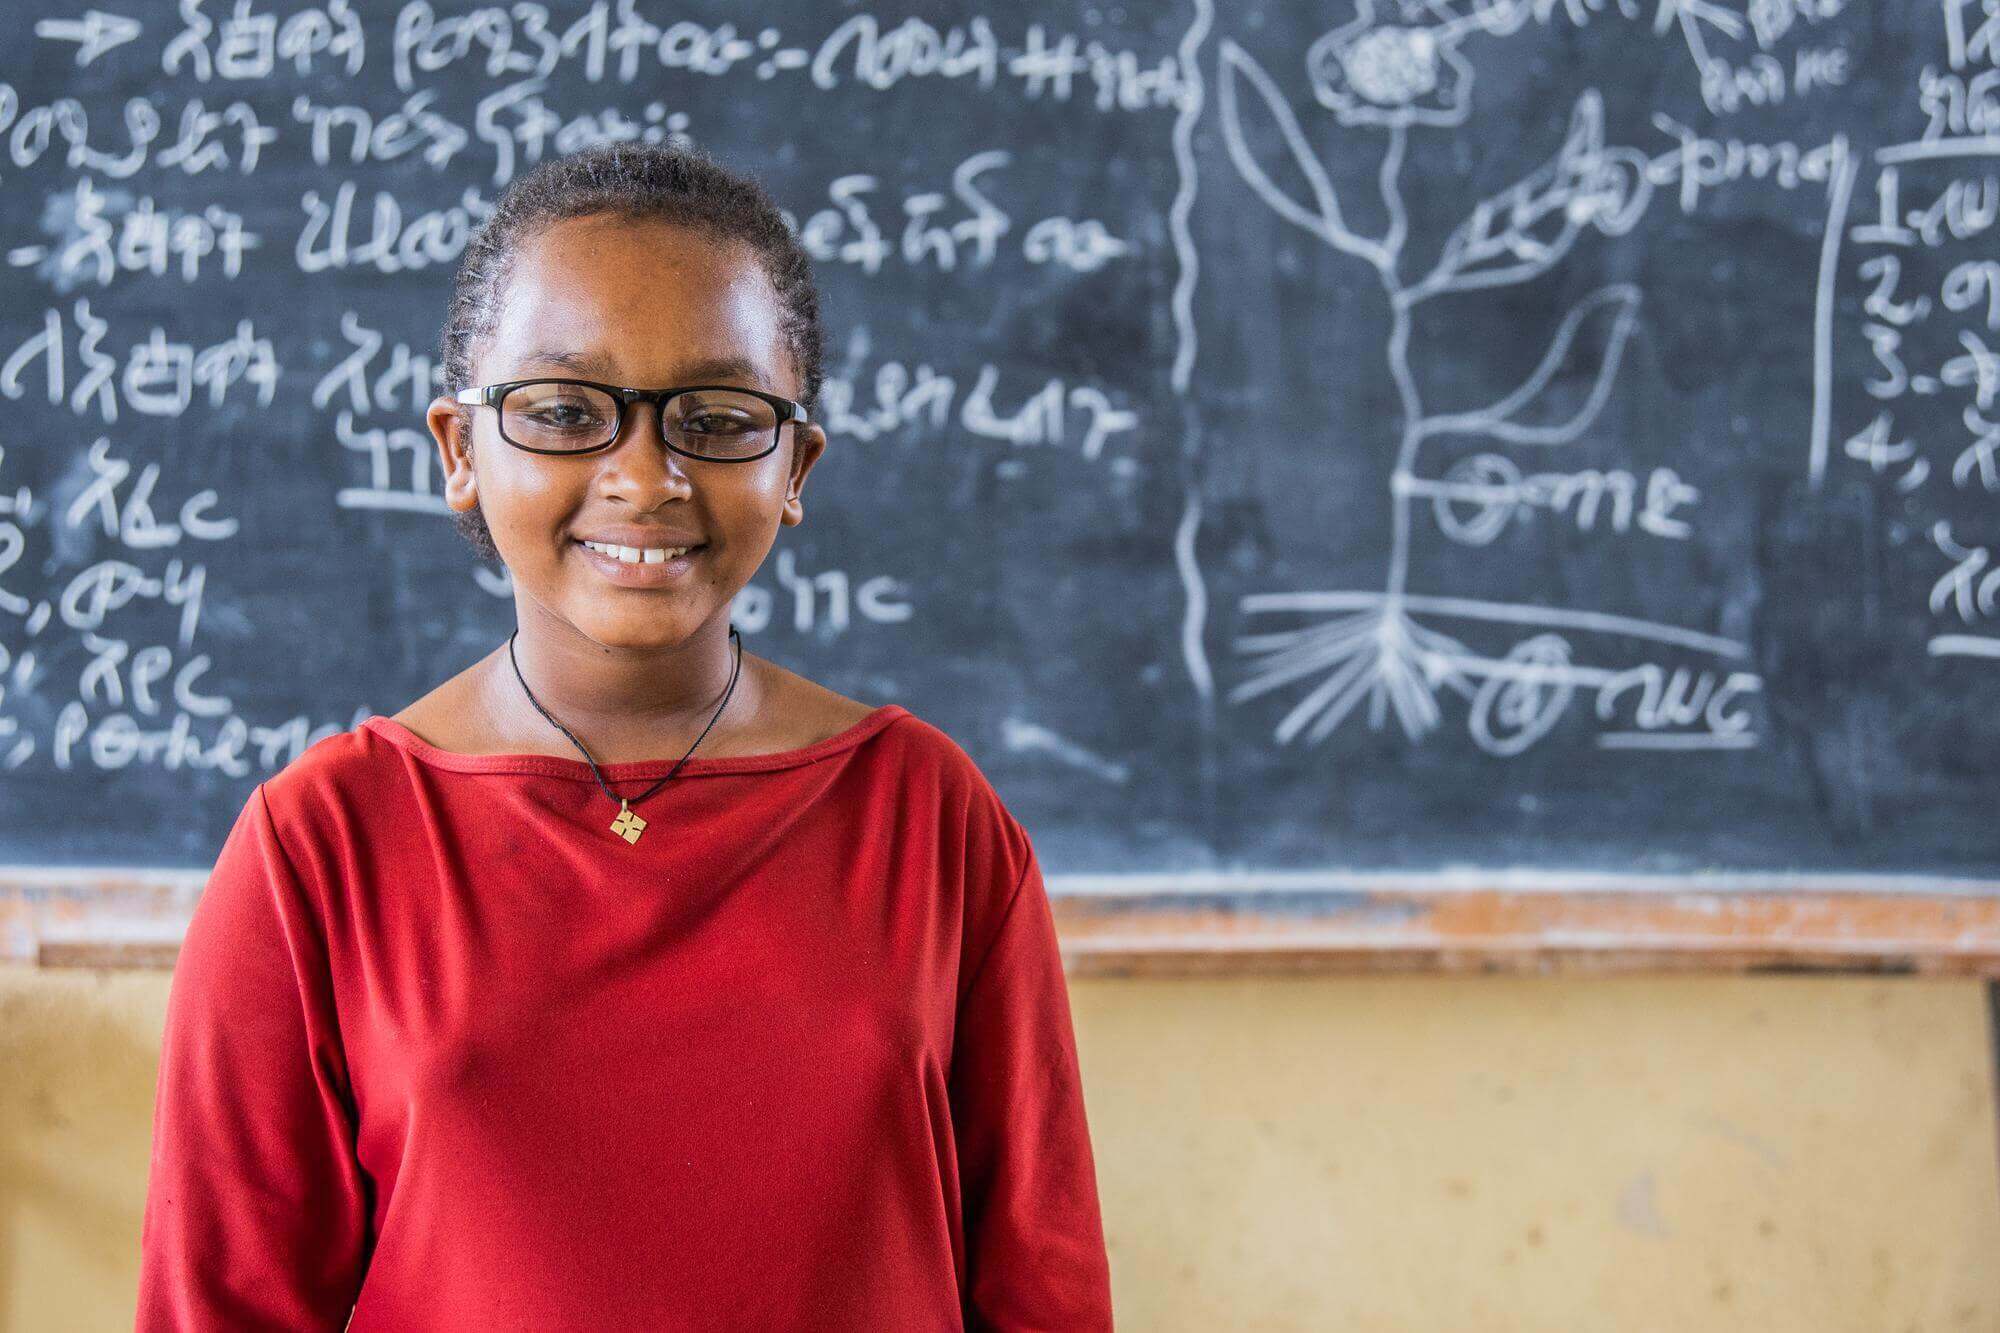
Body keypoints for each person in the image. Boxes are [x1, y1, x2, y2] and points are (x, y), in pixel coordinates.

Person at [134, 142, 1113, 1330]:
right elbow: (223, 1303)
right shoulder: (321, 845)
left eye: (716, 416)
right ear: (459, 450)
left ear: (794, 463)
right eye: (562, 411)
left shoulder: (924, 815)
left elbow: (1039, 1286)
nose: (644, 475)